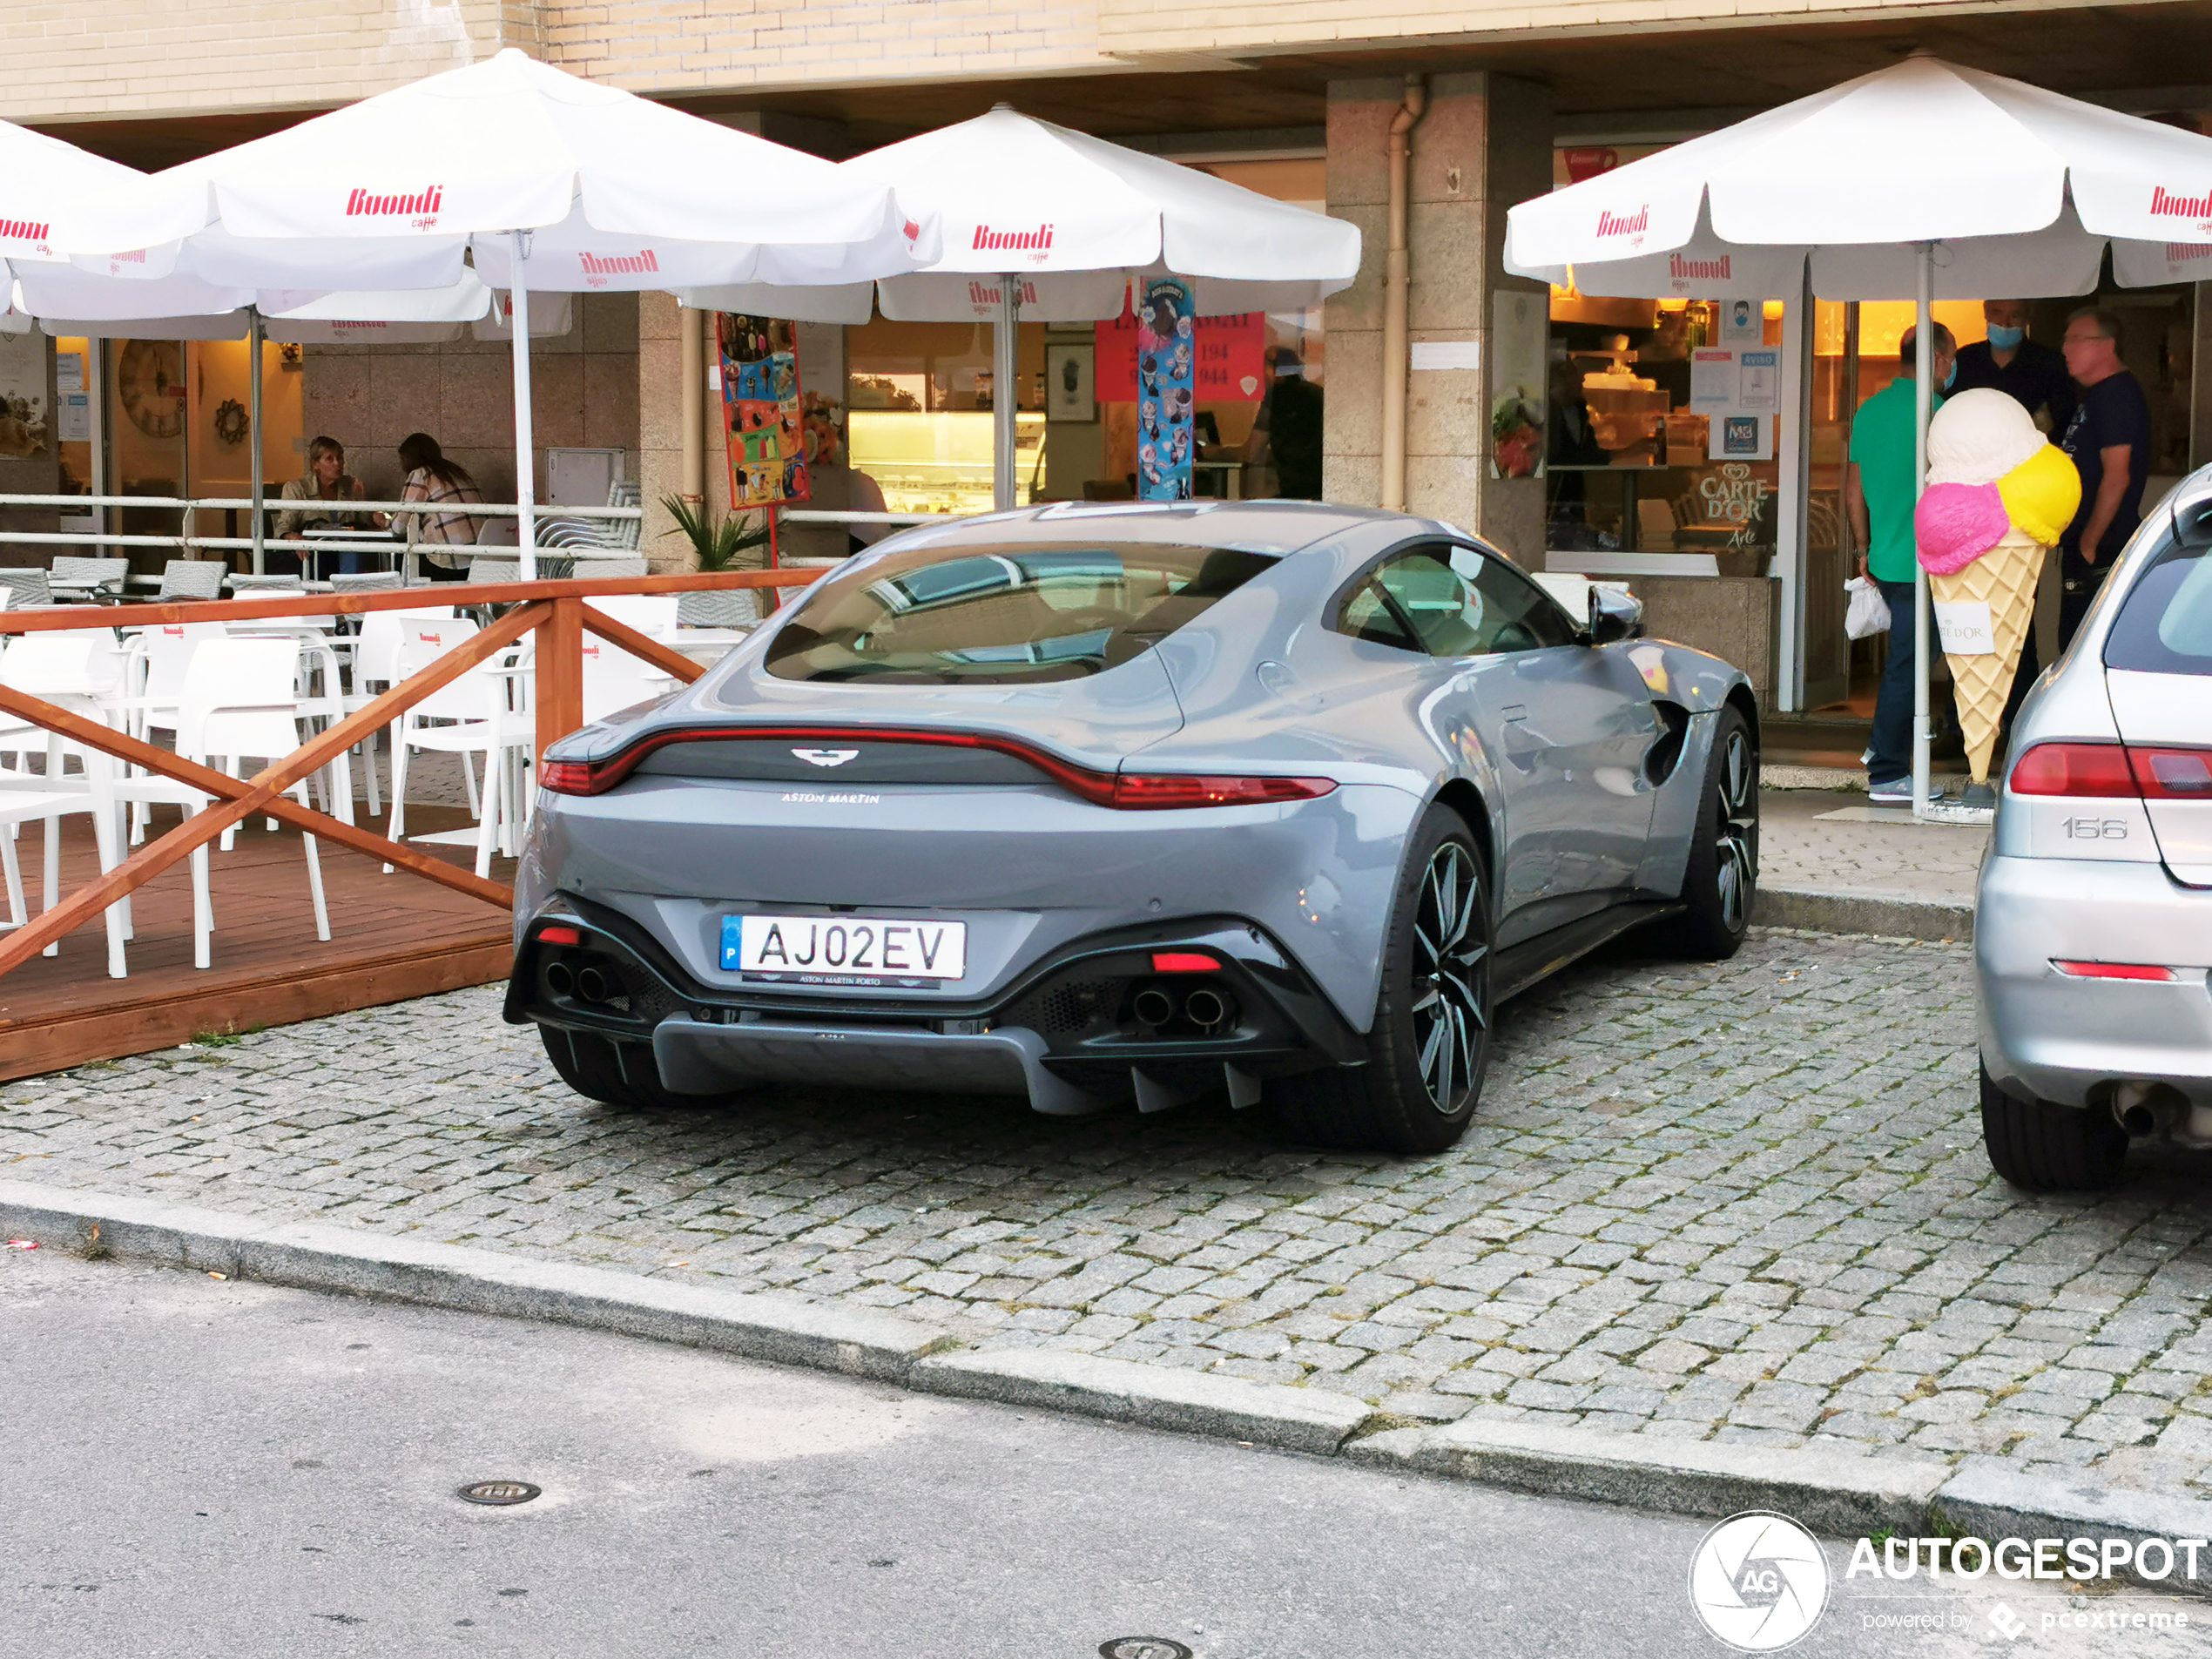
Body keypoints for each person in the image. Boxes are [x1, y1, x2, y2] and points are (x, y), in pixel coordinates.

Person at [1845, 323, 1956, 806]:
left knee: (1909, 660)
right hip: (1930, 563)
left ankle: (1889, 762)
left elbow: (1853, 489)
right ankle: (1888, 771)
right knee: (1908, 666)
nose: (1951, 369)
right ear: (1936, 359)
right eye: (1950, 360)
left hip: (1888, 561)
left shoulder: (1869, 411)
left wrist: (1862, 548)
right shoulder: (1941, 414)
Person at [2057, 306, 2152, 648]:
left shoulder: (2117, 396)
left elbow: (2117, 476)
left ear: (2107, 346)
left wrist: (2089, 543)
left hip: (2104, 547)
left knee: (2083, 648)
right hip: (2088, 544)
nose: (2066, 349)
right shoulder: (2097, 396)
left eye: (2076, 340)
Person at [1948, 300, 2074, 434]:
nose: (2005, 324)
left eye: (2015, 315)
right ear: (1986, 312)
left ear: (2027, 318)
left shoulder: (2051, 364)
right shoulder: (1964, 360)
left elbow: (2065, 423)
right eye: (1997, 313)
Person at [274, 435, 380, 575]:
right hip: (316, 554)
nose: (337, 463)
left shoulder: (350, 484)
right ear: (315, 464)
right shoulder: (297, 488)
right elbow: (283, 528)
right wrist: (295, 539)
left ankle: (350, 594)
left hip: (347, 550)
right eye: (329, 459)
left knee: (354, 550)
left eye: (340, 457)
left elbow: (365, 522)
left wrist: (363, 504)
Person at [391, 432, 485, 580]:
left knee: (399, 554)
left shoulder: (421, 475)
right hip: (478, 562)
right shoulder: (457, 472)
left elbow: (398, 527)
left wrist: (383, 520)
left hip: (447, 563)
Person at [1242, 347, 1324, 500]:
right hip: (1321, 484)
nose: (1261, 374)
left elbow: (1252, 451)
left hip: (1293, 486)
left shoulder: (1275, 398)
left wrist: (1218, 453)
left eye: (1264, 367)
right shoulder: (1318, 393)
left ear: (1275, 370)